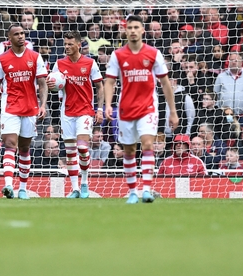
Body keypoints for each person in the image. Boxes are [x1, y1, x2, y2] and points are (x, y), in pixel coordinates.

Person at [104, 15, 179, 204]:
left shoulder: (154, 53)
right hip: (126, 109)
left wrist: (173, 111)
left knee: (147, 144)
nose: (133, 31)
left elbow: (165, 82)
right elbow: (110, 81)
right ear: (125, 30)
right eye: (130, 27)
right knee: (129, 151)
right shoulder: (118, 55)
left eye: (136, 27)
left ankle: (146, 190)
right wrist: (107, 104)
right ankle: (132, 192)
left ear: (142, 30)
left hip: (148, 107)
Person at [0, 24, 48, 200]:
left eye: (22, 33)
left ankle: (22, 188)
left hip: (30, 108)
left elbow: (43, 84)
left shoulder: (35, 57)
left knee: (24, 148)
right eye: (16, 34)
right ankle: (8, 185)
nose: (21, 36)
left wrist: (43, 105)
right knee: (9, 144)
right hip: (10, 107)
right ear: (10, 38)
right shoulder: (2, 59)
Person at [48, 31, 103, 198]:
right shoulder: (58, 64)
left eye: (70, 44)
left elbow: (100, 87)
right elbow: (53, 83)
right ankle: (75, 189)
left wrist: (99, 109)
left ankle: (84, 182)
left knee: (83, 148)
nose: (67, 47)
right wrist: (52, 85)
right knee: (71, 152)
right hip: (67, 112)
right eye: (65, 44)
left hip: (85, 111)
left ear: (79, 45)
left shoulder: (90, 63)